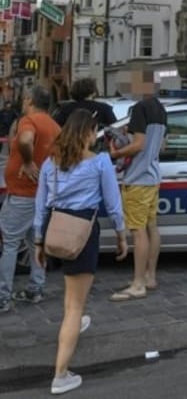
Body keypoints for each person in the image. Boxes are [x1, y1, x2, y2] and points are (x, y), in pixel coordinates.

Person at [32, 109, 128, 395]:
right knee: (74, 307)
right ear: (89, 132)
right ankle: (60, 375)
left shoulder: (51, 163)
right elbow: (112, 203)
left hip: (56, 230)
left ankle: (76, 323)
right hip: (83, 232)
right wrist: (122, 235)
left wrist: (39, 241)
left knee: (71, 296)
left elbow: (41, 206)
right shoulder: (100, 163)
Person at [0, 87, 61, 313]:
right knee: (34, 242)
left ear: (29, 100)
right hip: (41, 194)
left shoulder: (29, 121)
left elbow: (25, 140)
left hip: (22, 193)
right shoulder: (54, 126)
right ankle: (36, 287)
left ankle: (2, 296)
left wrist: (26, 161)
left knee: (9, 243)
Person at [109, 93, 167, 301]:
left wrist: (114, 154)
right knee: (152, 227)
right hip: (153, 177)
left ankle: (138, 284)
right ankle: (149, 277)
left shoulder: (140, 108)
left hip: (138, 178)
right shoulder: (160, 108)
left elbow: (138, 145)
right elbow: (160, 146)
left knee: (138, 231)